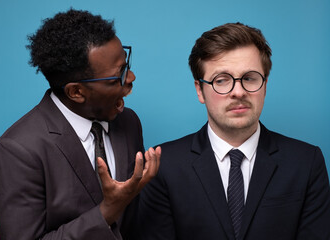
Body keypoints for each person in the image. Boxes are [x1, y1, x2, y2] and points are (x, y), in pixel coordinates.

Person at [137, 22, 330, 240]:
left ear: (265, 85)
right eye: (222, 80)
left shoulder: (306, 162)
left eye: (249, 78)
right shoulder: (162, 164)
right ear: (200, 90)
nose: (238, 92)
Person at [0, 9, 161, 240]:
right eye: (117, 77)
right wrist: (107, 210)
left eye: (126, 65)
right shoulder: (18, 149)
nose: (130, 77)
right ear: (76, 92)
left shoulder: (129, 122)